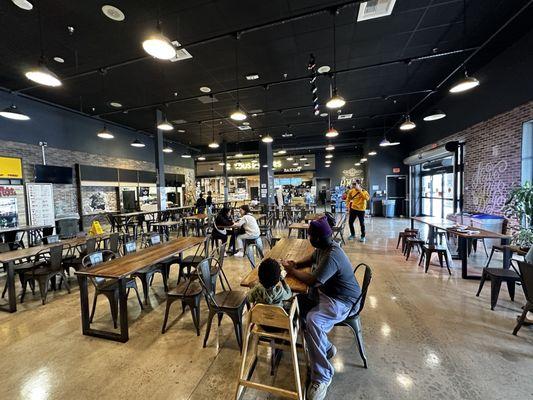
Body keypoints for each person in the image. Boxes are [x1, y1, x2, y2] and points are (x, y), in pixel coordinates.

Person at [282, 217, 361, 400]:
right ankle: (325, 347)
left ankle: (323, 375)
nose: (309, 238)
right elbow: (306, 262)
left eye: (310, 236)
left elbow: (313, 280)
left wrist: (292, 271)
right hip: (328, 295)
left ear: (316, 239)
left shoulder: (333, 254)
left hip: (343, 301)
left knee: (313, 321)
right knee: (297, 306)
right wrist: (293, 264)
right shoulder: (322, 248)